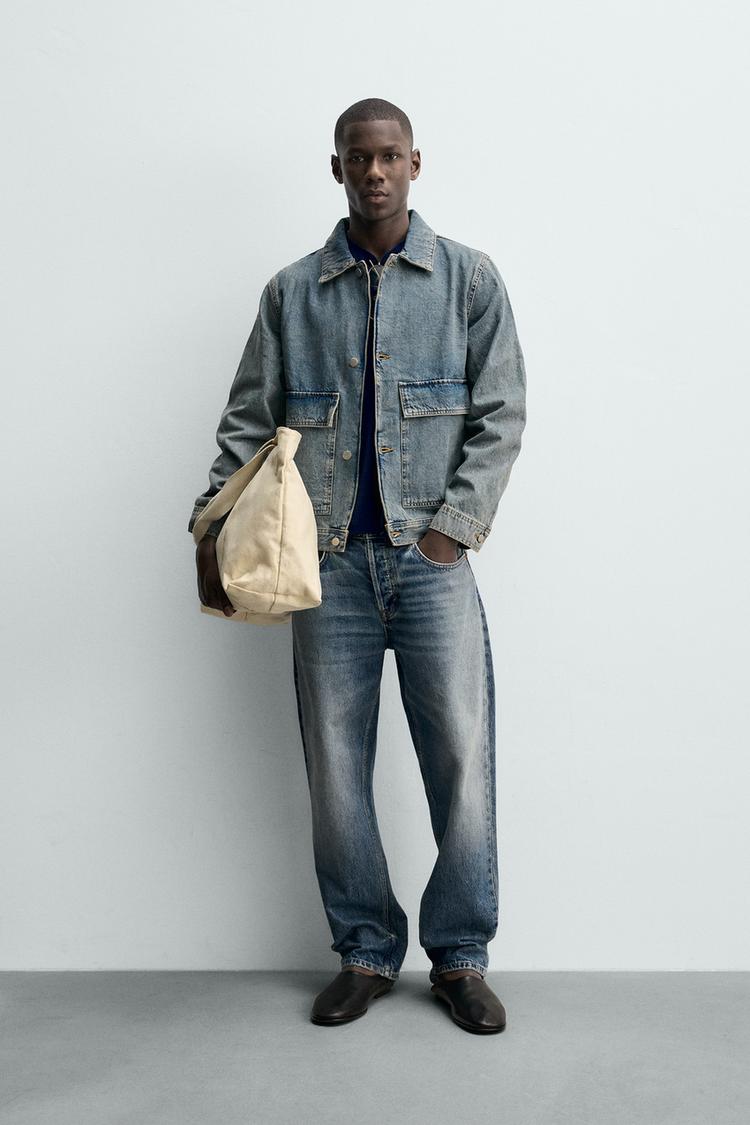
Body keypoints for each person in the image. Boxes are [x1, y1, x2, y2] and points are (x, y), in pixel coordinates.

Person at [188, 97, 527, 1034]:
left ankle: (460, 957)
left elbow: (501, 413)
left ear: (415, 162)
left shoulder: (468, 280)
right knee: (336, 767)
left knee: (460, 759)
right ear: (335, 168)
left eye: (389, 155)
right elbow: (248, 419)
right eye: (357, 157)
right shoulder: (293, 293)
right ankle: (366, 951)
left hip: (431, 564)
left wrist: (452, 529)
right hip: (326, 569)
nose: (374, 171)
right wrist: (212, 521)